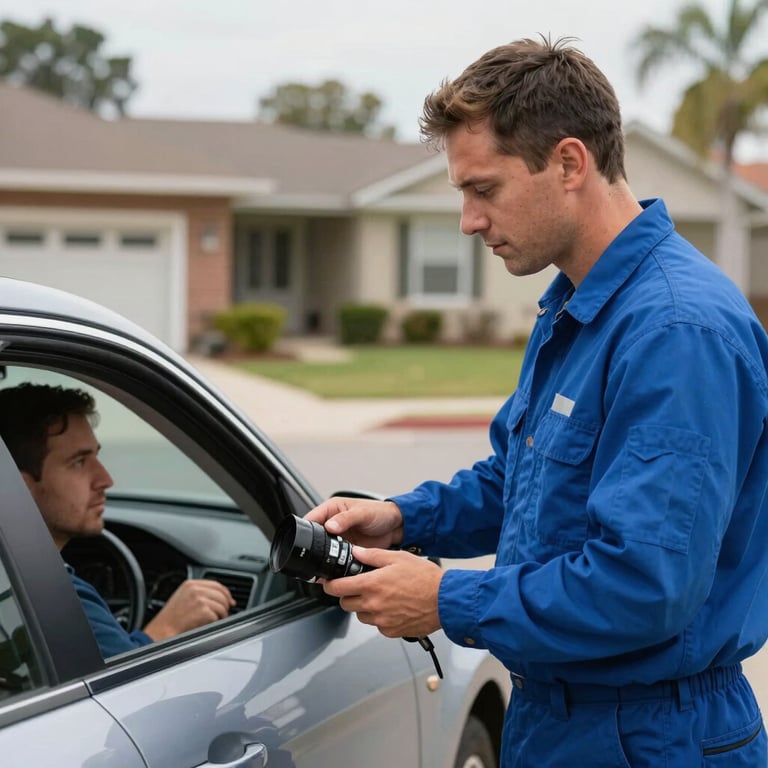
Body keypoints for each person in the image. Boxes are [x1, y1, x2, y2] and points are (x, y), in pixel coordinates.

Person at [306, 37, 768, 766]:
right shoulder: (577, 307)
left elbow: (646, 586)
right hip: (561, 721)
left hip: (651, 737)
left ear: (570, 163)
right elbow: (521, 481)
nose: (468, 220)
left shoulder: (676, 329)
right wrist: (402, 517)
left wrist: (447, 600)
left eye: (483, 189)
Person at [0, 383, 235, 658]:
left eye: (95, 457)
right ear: (17, 487)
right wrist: (167, 628)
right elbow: (126, 692)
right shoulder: (52, 598)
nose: (106, 480)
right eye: (78, 462)